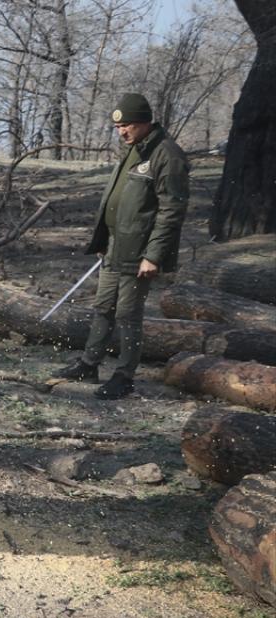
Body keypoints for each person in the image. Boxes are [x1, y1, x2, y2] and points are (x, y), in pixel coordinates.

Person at [52, 93, 190, 399]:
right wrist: (103, 239)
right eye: (117, 127)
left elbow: (172, 211)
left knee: (128, 313)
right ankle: (89, 364)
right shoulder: (134, 149)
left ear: (144, 122)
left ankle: (124, 376)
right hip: (115, 245)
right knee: (103, 307)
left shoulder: (167, 155)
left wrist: (153, 256)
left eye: (127, 125)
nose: (121, 132)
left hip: (140, 251)